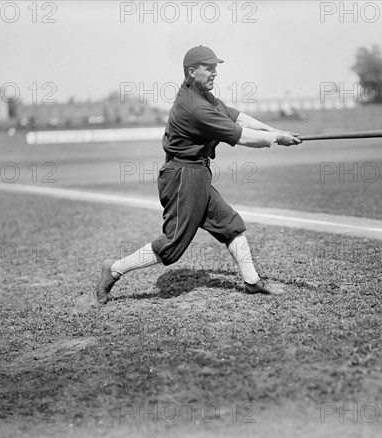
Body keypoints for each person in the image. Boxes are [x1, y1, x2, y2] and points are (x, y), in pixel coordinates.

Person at [96, 45, 302, 304]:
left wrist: (277, 131)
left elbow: (240, 119)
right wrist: (275, 139)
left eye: (216, 67)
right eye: (210, 67)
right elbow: (241, 137)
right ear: (192, 72)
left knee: (231, 226)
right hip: (183, 176)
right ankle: (113, 270)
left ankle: (252, 282)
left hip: (198, 172)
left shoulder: (205, 97)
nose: (215, 72)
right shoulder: (194, 106)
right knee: (172, 246)